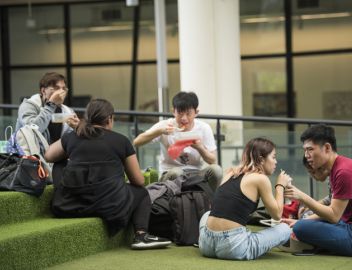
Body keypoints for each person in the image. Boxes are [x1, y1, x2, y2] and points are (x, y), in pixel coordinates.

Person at [44, 99, 171, 249]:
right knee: (142, 193)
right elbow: (138, 180)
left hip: (68, 205)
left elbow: (48, 156)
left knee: (59, 161)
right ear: (110, 119)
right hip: (109, 206)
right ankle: (141, 235)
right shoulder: (121, 141)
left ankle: (64, 193)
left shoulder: (72, 136)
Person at [283, 124, 352, 257]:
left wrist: (303, 197)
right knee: (302, 223)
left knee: (301, 228)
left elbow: (334, 216)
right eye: (305, 150)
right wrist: (301, 221)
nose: (307, 155)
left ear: (327, 147)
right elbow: (334, 212)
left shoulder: (343, 172)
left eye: (310, 149)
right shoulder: (339, 167)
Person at [198, 137, 292, 260]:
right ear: (261, 159)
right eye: (273, 157)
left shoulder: (230, 173)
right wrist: (280, 185)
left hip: (206, 245)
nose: (276, 162)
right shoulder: (261, 179)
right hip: (234, 247)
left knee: (207, 214)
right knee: (285, 229)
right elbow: (277, 215)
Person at [133, 91, 222, 190]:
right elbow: (137, 142)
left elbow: (213, 160)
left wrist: (200, 147)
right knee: (177, 173)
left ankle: (211, 201)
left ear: (196, 113)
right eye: (180, 113)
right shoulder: (166, 125)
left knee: (217, 170)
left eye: (188, 114)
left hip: (196, 173)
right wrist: (160, 131)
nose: (184, 118)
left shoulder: (204, 128)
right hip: (170, 172)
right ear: (173, 112)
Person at [16, 72, 79, 144]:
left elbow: (70, 139)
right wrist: (51, 104)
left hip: (57, 153)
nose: (61, 92)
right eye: (56, 88)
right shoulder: (29, 106)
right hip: (31, 153)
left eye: (64, 88)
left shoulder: (67, 111)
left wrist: (77, 128)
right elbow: (32, 130)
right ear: (43, 91)